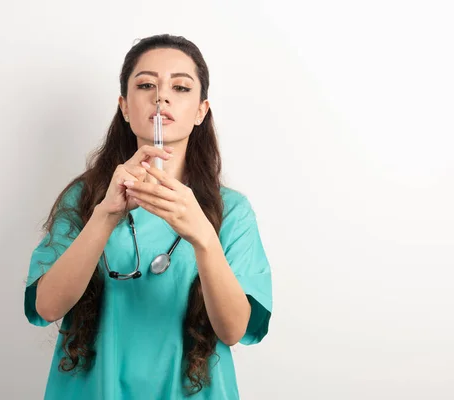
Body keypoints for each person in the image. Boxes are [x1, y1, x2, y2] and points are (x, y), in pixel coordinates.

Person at [24, 33, 272, 399]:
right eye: (146, 85)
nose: (161, 97)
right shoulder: (86, 198)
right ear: (125, 107)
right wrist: (105, 216)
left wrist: (203, 237)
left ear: (202, 110)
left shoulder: (231, 211)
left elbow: (234, 330)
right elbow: (45, 307)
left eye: (181, 87)